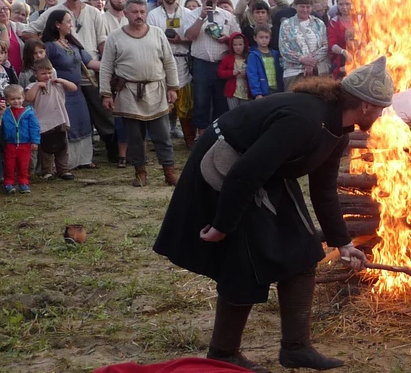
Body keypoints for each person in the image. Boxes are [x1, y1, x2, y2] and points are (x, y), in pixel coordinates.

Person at [154, 59, 389, 370]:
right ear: (364, 105)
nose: (382, 114)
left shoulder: (336, 130)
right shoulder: (304, 119)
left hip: (263, 172)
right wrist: (223, 225)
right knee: (247, 259)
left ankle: (296, 348)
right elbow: (245, 173)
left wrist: (342, 242)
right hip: (224, 167)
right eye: (380, 107)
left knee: (304, 249)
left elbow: (323, 190)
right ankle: (223, 353)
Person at [100, 0, 180, 186]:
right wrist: (106, 93)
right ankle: (140, 172)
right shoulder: (115, 37)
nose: (139, 15)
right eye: (134, 12)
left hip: (156, 90)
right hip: (128, 93)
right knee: (135, 138)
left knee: (162, 136)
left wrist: (173, 87)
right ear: (126, 13)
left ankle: (169, 172)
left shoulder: (158, 33)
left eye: (142, 12)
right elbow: (106, 67)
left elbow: (169, 61)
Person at [42, 11, 101, 172]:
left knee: (82, 122)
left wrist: (112, 66)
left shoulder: (72, 44)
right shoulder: (49, 47)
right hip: (61, 94)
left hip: (77, 92)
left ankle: (83, 159)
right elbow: (40, 67)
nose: (71, 25)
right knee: (67, 126)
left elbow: (90, 62)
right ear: (57, 24)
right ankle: (65, 163)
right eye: (68, 22)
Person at [184, 0, 239, 129]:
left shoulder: (227, 15)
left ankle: (218, 137)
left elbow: (237, 39)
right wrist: (201, 17)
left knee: (221, 102)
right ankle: (201, 138)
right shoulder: (192, 15)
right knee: (201, 102)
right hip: (201, 64)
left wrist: (227, 39)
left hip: (222, 64)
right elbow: (190, 36)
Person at [147, 0, 195, 143]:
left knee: (185, 101)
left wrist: (181, 41)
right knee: (163, 101)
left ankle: (189, 139)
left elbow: (194, 38)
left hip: (183, 61)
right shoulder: (153, 15)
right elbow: (150, 39)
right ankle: (163, 139)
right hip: (162, 62)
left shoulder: (187, 14)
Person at [25, 58, 75, 181]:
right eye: (43, 73)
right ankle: (47, 171)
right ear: (35, 74)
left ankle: (63, 170)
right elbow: (28, 97)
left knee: (63, 147)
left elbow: (73, 88)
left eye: (49, 73)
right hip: (43, 123)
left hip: (60, 119)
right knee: (46, 149)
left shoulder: (57, 84)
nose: (47, 76)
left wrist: (61, 80)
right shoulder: (32, 86)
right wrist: (37, 85)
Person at [279, 0, 330, 85]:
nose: (305, 10)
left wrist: (311, 62)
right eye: (302, 6)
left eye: (308, 7)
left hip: (316, 70)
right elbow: (284, 49)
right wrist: (302, 59)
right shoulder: (286, 24)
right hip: (294, 72)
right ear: (295, 6)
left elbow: (325, 46)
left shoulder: (319, 24)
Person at [0, 85, 39, 194]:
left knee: (23, 165)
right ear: (7, 100)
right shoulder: (6, 112)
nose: (16, 101)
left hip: (25, 144)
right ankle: (8, 183)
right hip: (10, 144)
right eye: (12, 99)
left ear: (23, 97)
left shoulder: (28, 112)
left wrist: (35, 141)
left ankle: (23, 183)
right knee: (9, 165)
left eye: (18, 98)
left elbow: (34, 127)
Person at [247, 26, 282, 99]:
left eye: (266, 37)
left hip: (278, 91)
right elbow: (252, 75)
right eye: (261, 37)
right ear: (255, 38)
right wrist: (257, 93)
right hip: (263, 93)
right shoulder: (253, 55)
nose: (264, 40)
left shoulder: (276, 54)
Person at [218, 33, 250, 109]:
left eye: (240, 44)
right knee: (233, 113)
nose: (238, 47)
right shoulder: (228, 58)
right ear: (231, 46)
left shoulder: (249, 58)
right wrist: (231, 73)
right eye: (235, 45)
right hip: (232, 93)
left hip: (246, 93)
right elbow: (220, 72)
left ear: (244, 45)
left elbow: (255, 72)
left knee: (245, 114)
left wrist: (246, 74)